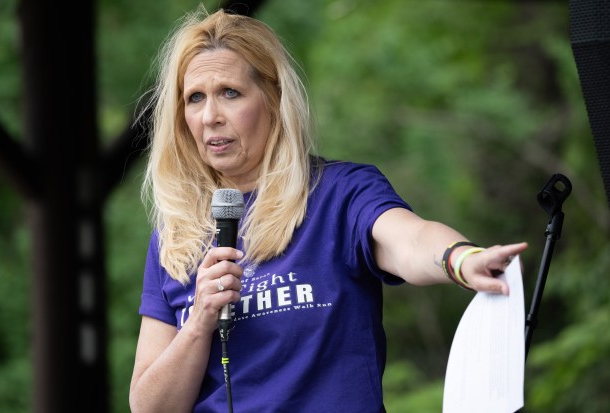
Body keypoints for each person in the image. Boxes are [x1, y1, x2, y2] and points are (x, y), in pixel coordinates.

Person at [129, 5, 528, 413]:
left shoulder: (339, 194)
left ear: (273, 99)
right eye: (195, 98)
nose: (210, 116)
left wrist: (460, 259)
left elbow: (410, 239)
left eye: (230, 93)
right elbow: (149, 407)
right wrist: (199, 323)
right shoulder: (177, 234)